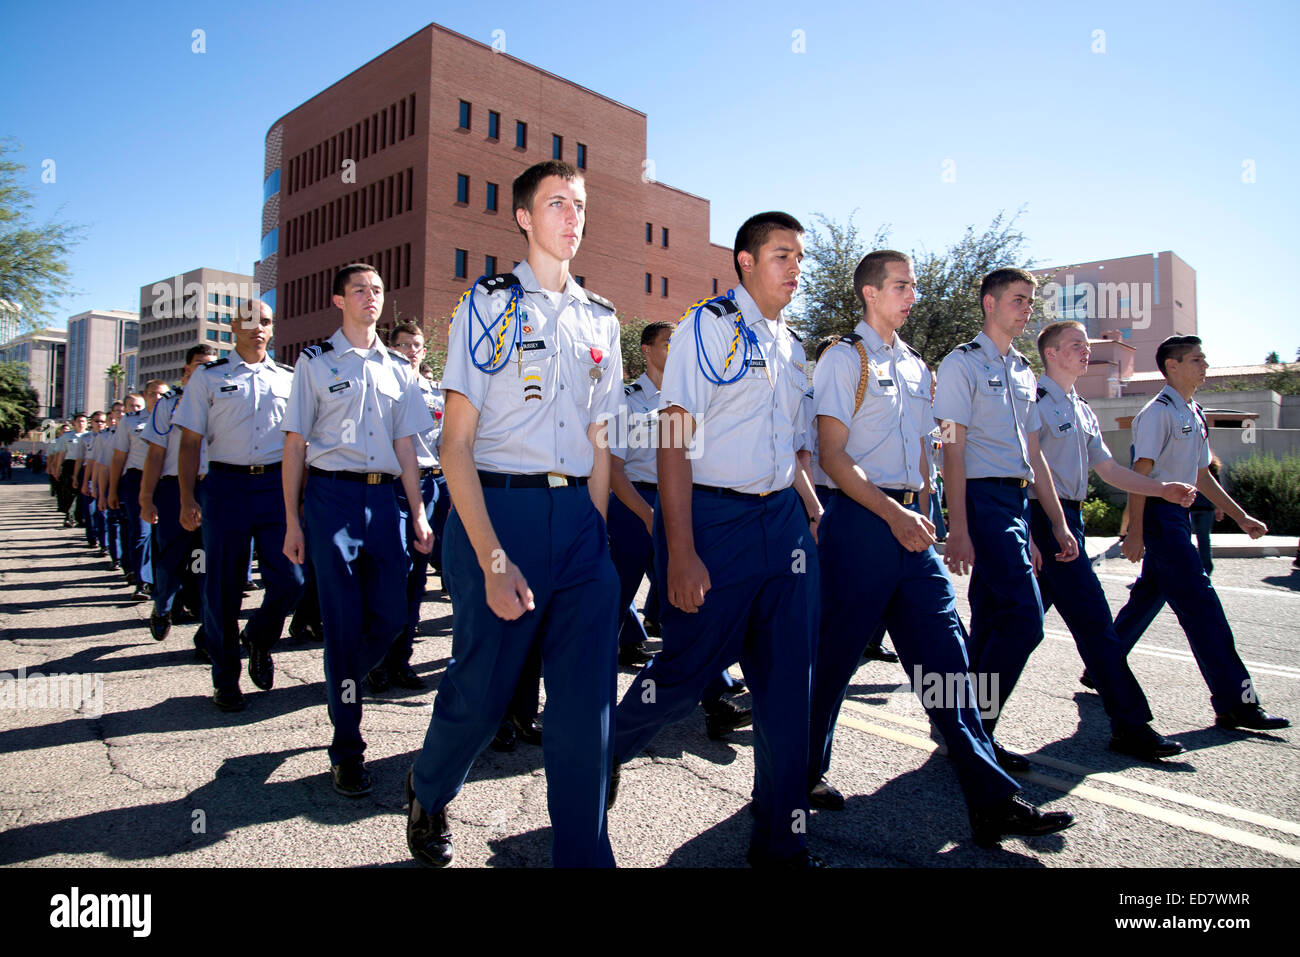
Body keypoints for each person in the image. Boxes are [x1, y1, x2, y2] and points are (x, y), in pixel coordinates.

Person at [808, 250, 1073, 847]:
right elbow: (831, 455)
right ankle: (797, 776)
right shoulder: (842, 358)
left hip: (910, 525)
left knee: (947, 665)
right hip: (861, 521)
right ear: (871, 293)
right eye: (901, 285)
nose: (912, 295)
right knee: (833, 658)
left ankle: (992, 801)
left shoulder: (915, 365)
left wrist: (930, 509)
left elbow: (937, 442)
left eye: (913, 286)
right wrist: (896, 512)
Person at [406, 160, 622, 868]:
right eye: (557, 203)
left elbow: (601, 439)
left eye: (581, 205)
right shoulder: (489, 305)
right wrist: (495, 560)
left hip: (579, 524)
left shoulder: (602, 318)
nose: (573, 216)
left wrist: (593, 535)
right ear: (524, 217)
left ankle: (585, 858)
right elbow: (455, 444)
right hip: (498, 515)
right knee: (482, 694)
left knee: (586, 710)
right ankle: (429, 787)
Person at [606, 211, 820, 868]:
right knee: (682, 673)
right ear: (747, 261)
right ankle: (600, 750)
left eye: (800, 258)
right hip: (714, 523)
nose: (796, 269)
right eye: (782, 255)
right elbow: (673, 439)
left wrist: (812, 514)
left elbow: (791, 448)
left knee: (787, 686)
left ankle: (782, 839)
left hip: (781, 521)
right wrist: (682, 548)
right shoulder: (709, 326)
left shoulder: (791, 344)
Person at [281, 263, 434, 796]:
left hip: (383, 498)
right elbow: (295, 445)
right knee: (344, 624)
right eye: (359, 290)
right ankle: (347, 749)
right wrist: (291, 521)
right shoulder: (315, 363)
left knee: (393, 617)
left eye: (376, 290)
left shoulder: (399, 367)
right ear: (338, 300)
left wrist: (416, 512)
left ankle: (340, 681)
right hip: (332, 497)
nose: (370, 297)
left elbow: (406, 446)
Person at [932, 268, 1080, 771]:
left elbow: (1033, 454)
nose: (1027, 309)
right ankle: (976, 732)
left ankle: (963, 729)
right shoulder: (961, 364)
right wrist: (958, 527)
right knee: (1025, 619)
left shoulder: (1022, 370)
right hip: (979, 498)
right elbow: (951, 446)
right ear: (990, 303)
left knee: (996, 619)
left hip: (1014, 504)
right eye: (1019, 300)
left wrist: (1055, 523)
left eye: (1030, 302)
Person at [1031, 321, 1198, 759]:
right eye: (1075, 346)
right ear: (1051, 354)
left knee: (1012, 628)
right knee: (1083, 623)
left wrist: (1161, 489)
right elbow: (1021, 472)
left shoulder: (1081, 408)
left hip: (1070, 520)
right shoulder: (1034, 402)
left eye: (1087, 346)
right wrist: (1032, 532)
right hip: (1042, 521)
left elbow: (1108, 469)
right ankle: (1131, 723)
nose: (1086, 352)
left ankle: (965, 719)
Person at [1113, 335, 1288, 731]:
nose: (1204, 365)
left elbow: (1200, 475)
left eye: (1204, 358)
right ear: (1171, 366)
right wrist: (1135, 532)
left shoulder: (1193, 410)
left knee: (1148, 596)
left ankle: (1102, 663)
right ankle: (1235, 701)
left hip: (1177, 516)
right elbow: (1139, 477)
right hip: (1159, 515)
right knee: (1203, 608)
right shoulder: (1157, 413)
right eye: (1196, 359)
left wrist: (1240, 517)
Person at [607, 320, 753, 736]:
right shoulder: (625, 398)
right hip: (635, 507)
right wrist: (648, 515)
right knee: (611, 607)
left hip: (680, 505)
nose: (676, 350)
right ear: (647, 350)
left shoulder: (689, 397)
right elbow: (615, 471)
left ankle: (717, 697)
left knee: (695, 601)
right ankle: (593, 700)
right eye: (669, 343)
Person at [174, 298, 304, 712]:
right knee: (223, 589)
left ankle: (260, 638)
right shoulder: (209, 378)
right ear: (233, 326)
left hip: (274, 487)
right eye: (249, 321)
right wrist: (186, 498)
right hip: (226, 487)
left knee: (291, 581)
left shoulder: (288, 377)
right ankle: (225, 679)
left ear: (273, 328)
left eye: (265, 321)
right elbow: (191, 441)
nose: (257, 328)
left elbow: (300, 440)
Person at [365, 319, 439, 694]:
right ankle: (376, 659)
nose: (412, 350)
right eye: (405, 344)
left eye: (417, 344)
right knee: (391, 574)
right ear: (392, 348)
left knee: (416, 581)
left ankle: (402, 659)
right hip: (392, 487)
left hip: (430, 485)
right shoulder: (383, 387)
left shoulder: (435, 391)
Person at [141, 345, 216, 643]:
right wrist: (146, 496)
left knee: (205, 557)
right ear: (187, 369)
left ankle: (205, 626)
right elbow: (156, 454)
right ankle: (162, 605)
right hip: (174, 488)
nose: (205, 370)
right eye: (199, 364)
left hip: (211, 487)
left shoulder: (220, 400)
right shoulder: (168, 404)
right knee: (172, 555)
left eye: (211, 365)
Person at [109, 383, 169, 600]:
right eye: (152, 394)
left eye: (162, 394)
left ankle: (161, 580)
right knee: (141, 530)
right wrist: (113, 490)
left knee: (163, 533)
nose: (157, 397)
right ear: (145, 396)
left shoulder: (175, 417)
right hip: (137, 478)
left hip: (165, 480)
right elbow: (118, 457)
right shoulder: (130, 421)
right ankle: (143, 581)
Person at [1187, 454, 1223, 575]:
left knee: (1187, 538)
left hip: (1190, 506)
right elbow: (1217, 490)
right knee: (1203, 539)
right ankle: (1206, 569)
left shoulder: (1189, 465)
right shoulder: (1211, 469)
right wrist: (1219, 507)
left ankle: (1191, 567)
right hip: (1205, 508)